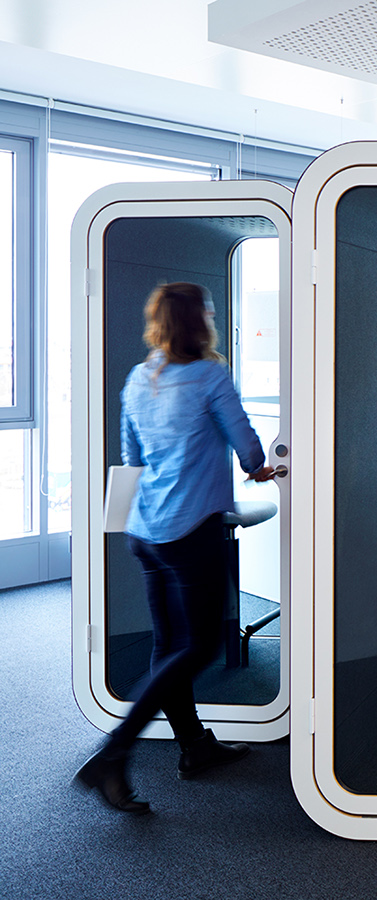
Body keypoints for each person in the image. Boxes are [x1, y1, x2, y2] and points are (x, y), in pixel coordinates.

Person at [74, 283, 275, 815]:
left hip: (146, 532)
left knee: (168, 646)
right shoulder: (211, 375)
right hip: (191, 533)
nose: (212, 315)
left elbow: (131, 456)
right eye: (208, 311)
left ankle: (194, 747)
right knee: (200, 646)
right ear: (197, 323)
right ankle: (113, 754)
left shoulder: (139, 379)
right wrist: (258, 469)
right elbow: (250, 448)